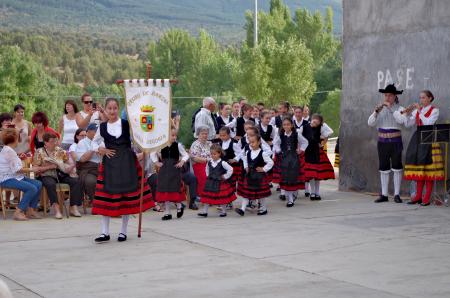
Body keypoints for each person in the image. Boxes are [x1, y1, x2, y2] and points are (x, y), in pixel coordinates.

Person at [92, 98, 154, 243]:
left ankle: (123, 232)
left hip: (127, 163)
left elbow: (140, 135)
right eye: (109, 108)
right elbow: (93, 142)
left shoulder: (126, 124)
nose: (112, 111)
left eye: (115, 108)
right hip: (110, 165)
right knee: (106, 198)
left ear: (118, 109)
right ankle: (104, 232)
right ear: (105, 110)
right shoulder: (101, 127)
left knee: (126, 197)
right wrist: (101, 149)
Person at [397, 90, 444, 206]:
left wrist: (419, 111)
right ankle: (418, 196)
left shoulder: (435, 110)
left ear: (430, 98)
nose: (421, 100)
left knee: (428, 170)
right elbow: (408, 124)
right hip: (418, 139)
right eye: (420, 98)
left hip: (429, 139)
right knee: (419, 169)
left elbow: (428, 123)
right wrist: (407, 114)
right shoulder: (419, 111)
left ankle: (426, 198)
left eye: (423, 98)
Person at [368, 84, 407, 203]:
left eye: (389, 95)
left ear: (395, 96)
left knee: (397, 167)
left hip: (395, 142)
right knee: (383, 168)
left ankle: (396, 194)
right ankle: (384, 195)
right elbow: (370, 123)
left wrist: (390, 108)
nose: (387, 98)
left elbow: (402, 121)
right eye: (385, 95)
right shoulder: (380, 109)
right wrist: (376, 112)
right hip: (382, 142)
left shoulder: (401, 108)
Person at [33, 132, 82, 219]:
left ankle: (73, 207)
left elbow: (68, 164)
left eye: (56, 141)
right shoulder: (39, 152)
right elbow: (35, 168)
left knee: (75, 181)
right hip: (45, 175)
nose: (55, 143)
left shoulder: (61, 151)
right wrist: (49, 166)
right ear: (45, 142)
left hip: (60, 174)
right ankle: (56, 209)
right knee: (50, 184)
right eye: (52, 141)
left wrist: (70, 166)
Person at [0, 128, 43, 221]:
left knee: (38, 184)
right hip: (6, 179)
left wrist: (19, 157)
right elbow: (17, 170)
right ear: (15, 138)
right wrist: (32, 169)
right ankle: (18, 212)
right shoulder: (9, 151)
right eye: (18, 137)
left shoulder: (8, 149)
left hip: (15, 177)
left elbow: (12, 163)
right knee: (31, 188)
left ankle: (31, 210)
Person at [151, 128, 189, 220]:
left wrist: (182, 162)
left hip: (174, 170)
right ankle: (167, 213)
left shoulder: (178, 145)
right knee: (165, 191)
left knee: (174, 189)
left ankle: (179, 207)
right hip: (164, 170)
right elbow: (152, 153)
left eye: (175, 135)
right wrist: (156, 162)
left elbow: (186, 155)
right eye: (172, 135)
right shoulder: (161, 145)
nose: (174, 137)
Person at [273, 117, 309, 207]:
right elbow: (275, 143)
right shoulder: (280, 135)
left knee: (294, 177)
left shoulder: (296, 134)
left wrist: (301, 150)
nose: (286, 126)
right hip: (284, 158)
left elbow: (305, 142)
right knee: (286, 178)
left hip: (294, 158)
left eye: (288, 124)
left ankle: (294, 193)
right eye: (284, 124)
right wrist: (278, 151)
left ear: (292, 125)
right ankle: (290, 199)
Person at [236, 134, 274, 216]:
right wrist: (246, 167)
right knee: (246, 193)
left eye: (253, 142)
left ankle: (264, 209)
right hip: (250, 176)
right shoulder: (248, 152)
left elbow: (271, 162)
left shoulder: (262, 153)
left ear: (259, 142)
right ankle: (242, 209)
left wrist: (263, 169)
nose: (251, 144)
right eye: (250, 142)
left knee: (261, 194)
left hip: (259, 177)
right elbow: (245, 159)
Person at [197, 144, 236, 218]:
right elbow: (207, 169)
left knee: (222, 198)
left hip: (220, 183)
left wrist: (225, 176)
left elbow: (231, 169)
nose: (212, 155)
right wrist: (208, 176)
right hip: (210, 182)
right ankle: (205, 211)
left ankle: (224, 211)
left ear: (219, 153)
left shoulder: (223, 163)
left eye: (214, 154)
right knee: (207, 197)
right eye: (211, 154)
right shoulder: (209, 162)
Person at [304, 114, 335, 200]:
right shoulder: (306, 126)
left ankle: (317, 193)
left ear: (320, 122)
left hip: (317, 152)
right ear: (312, 119)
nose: (315, 121)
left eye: (317, 120)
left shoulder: (322, 126)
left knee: (317, 174)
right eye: (314, 119)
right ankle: (312, 192)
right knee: (311, 173)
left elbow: (328, 133)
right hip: (308, 152)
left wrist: (322, 143)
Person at [75, 123, 101, 202]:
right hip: (88, 170)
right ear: (88, 131)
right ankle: (96, 203)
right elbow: (82, 159)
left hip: (102, 168)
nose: (98, 133)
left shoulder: (102, 141)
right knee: (91, 181)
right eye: (96, 131)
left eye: (99, 131)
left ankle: (109, 204)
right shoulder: (82, 143)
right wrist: (93, 148)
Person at [190, 126, 212, 201]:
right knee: (205, 175)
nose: (205, 135)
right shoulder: (195, 144)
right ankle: (203, 195)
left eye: (206, 134)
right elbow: (195, 158)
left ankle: (214, 195)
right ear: (198, 134)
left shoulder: (209, 143)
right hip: (199, 165)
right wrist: (207, 160)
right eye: (202, 134)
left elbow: (215, 153)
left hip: (210, 164)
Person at [217, 127, 241, 191]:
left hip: (232, 166)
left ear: (229, 134)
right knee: (224, 184)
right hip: (223, 166)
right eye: (220, 135)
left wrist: (235, 159)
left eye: (224, 135)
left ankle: (231, 196)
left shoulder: (233, 143)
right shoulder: (220, 144)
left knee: (231, 183)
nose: (222, 137)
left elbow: (240, 153)